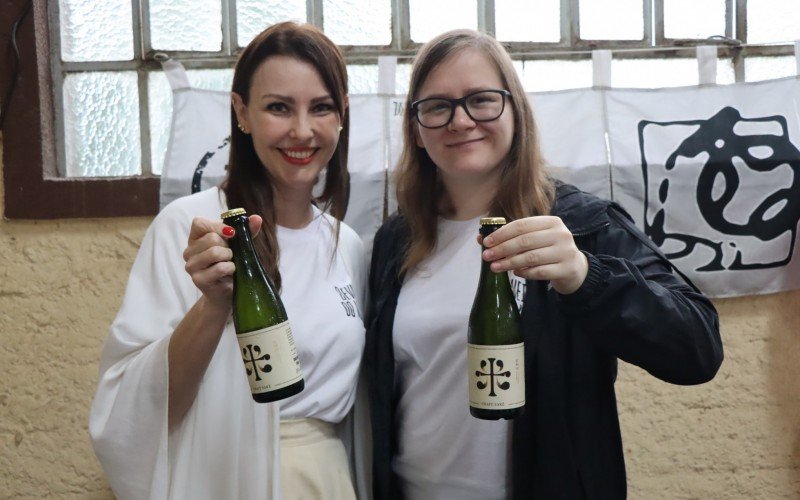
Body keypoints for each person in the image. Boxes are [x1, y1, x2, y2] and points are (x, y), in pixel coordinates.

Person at [365, 29, 723, 500]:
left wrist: (584, 277)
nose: (460, 120)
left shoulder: (578, 223)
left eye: (482, 100)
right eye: (437, 106)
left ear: (516, 111)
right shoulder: (399, 239)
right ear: (416, 127)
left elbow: (697, 350)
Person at [90, 22, 370, 500]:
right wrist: (213, 306)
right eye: (278, 107)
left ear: (342, 116)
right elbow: (133, 408)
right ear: (241, 113)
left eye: (320, 108)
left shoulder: (348, 246)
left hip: (324, 478)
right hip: (220, 477)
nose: (302, 131)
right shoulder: (192, 227)